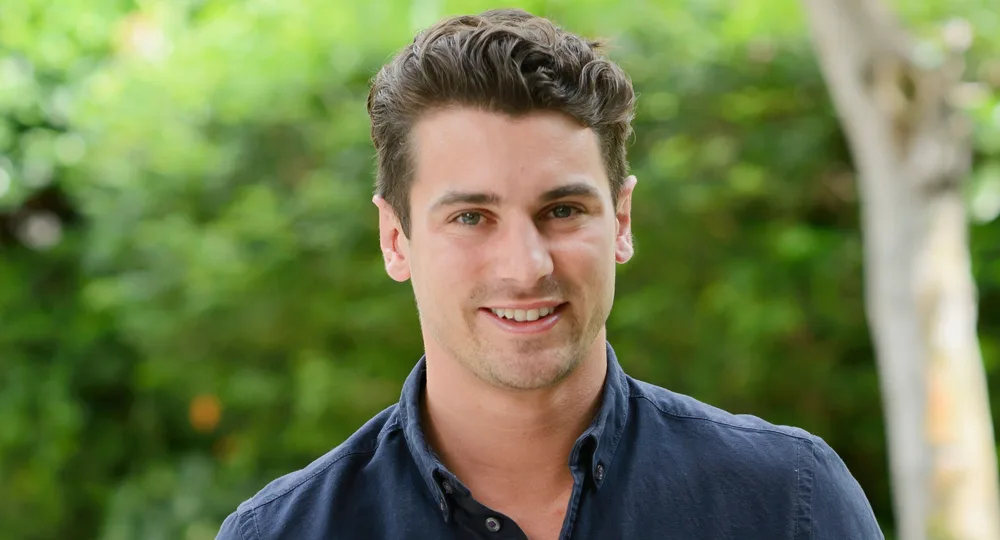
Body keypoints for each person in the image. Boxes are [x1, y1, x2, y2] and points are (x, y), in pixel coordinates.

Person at [215, 8, 883, 540]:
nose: (526, 266)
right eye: (472, 217)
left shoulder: (787, 503)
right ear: (396, 239)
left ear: (620, 221)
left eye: (562, 210)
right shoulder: (282, 533)